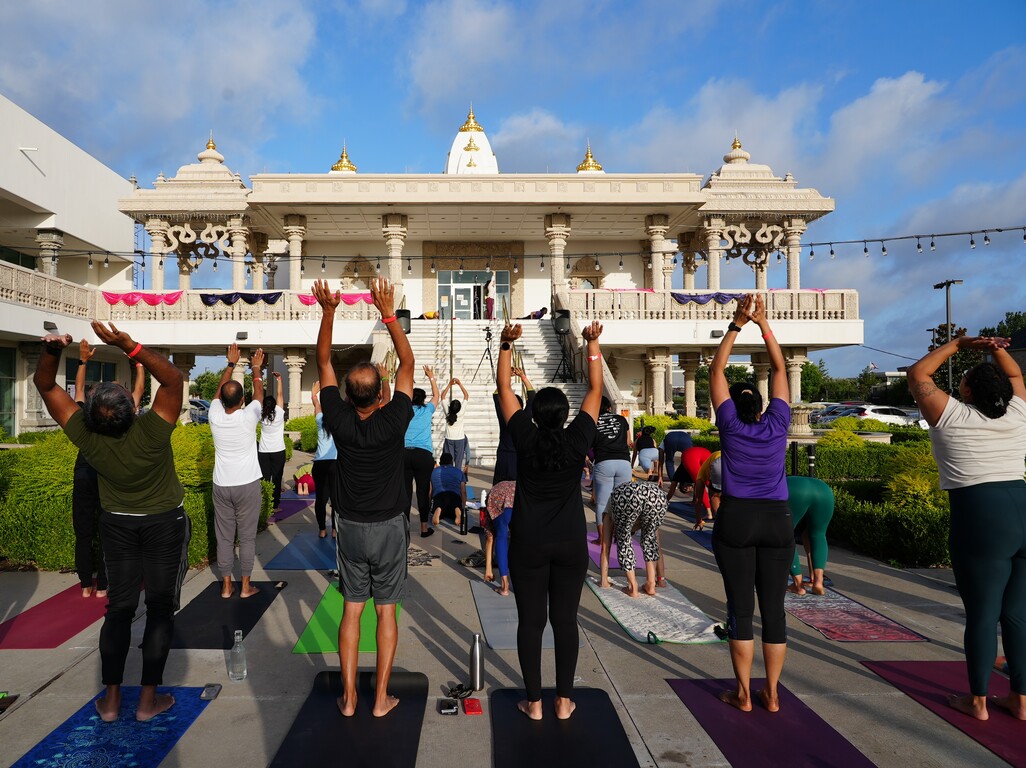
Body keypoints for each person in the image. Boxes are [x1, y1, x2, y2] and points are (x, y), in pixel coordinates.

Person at [34, 322, 188, 723]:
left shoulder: (87, 437)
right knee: (159, 609)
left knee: (119, 610)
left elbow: (47, 386)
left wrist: (53, 351)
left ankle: (113, 701)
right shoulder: (153, 431)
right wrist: (129, 346)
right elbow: (172, 379)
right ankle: (148, 701)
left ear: (91, 415)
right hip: (164, 525)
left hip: (117, 527)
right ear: (132, 408)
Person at [908, 334, 1026, 721]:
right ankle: (1020, 701)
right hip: (1021, 507)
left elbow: (918, 372)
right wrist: (995, 349)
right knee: (1017, 614)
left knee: (981, 612)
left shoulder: (951, 414)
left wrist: (959, 344)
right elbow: (1016, 376)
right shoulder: (1018, 412)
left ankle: (977, 701)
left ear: (969, 390)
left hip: (981, 513)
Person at [312, 276, 414, 719]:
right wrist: (388, 314)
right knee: (386, 614)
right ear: (381, 395)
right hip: (389, 526)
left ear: (348, 397)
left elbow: (323, 364)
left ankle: (350, 698)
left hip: (350, 526)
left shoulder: (337, 416)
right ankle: (379, 699)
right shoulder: (394, 419)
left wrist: (329, 312)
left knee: (352, 611)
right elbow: (407, 364)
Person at [497, 318, 603, 721]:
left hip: (528, 541)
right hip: (570, 542)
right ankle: (563, 701)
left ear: (536, 414)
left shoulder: (524, 433)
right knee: (564, 621)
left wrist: (507, 345)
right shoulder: (578, 439)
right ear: (564, 415)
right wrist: (591, 344)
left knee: (531, 622)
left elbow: (505, 389)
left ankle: (535, 704)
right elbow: (595, 389)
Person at [710, 294, 792, 714]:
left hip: (737, 519)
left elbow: (716, 370)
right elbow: (778, 368)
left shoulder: (728, 425)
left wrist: (737, 324)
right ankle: (773, 693)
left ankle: (743, 693)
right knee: (773, 611)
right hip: (777, 520)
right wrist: (764, 325)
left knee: (741, 609)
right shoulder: (778, 423)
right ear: (761, 406)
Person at [209, 344, 265, 599]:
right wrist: (255, 368)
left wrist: (230, 365)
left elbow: (220, 392)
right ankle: (245, 587)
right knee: (247, 538)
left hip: (222, 485)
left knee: (224, 538)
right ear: (243, 400)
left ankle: (226, 586)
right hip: (248, 484)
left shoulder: (214, 415)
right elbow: (260, 393)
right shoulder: (249, 415)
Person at [72, 339, 107, 598]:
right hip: (105, 476)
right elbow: (137, 397)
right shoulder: (111, 418)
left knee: (83, 533)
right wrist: (139, 366)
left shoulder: (84, 416)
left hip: (84, 474)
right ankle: (103, 586)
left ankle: (86, 585)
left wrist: (83, 361)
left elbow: (79, 390)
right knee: (106, 531)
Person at [599, 481, 667, 597]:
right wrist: (660, 579)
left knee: (624, 540)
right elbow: (657, 546)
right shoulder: (639, 518)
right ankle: (651, 584)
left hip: (627, 496)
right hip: (657, 495)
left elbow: (606, 547)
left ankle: (633, 587)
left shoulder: (608, 512)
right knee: (650, 541)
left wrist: (604, 581)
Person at [590, 396, 634, 545]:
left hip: (603, 462)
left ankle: (602, 538)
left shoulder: (593, 421)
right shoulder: (621, 420)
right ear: (609, 408)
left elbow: (588, 444)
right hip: (623, 462)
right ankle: (621, 536)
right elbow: (628, 442)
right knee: (623, 500)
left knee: (602, 502)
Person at [785, 476, 834, 596]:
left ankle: (798, 585)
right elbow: (809, 536)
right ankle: (818, 581)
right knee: (819, 535)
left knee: (786, 536)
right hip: (824, 490)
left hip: (795, 490)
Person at [405, 366, 439, 537]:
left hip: (403, 454)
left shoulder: (404, 411)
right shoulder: (426, 410)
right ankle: (424, 528)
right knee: (422, 492)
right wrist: (431, 377)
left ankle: (404, 528)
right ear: (423, 399)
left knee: (404, 492)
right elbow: (437, 396)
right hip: (423, 455)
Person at [492, 366, 535, 484]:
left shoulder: (503, 416)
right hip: (519, 457)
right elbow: (532, 398)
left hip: (503, 455)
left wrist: (506, 379)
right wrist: (523, 377)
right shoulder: (525, 417)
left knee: (499, 487)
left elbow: (497, 395)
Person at [311, 381, 338, 538]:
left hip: (320, 464)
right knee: (336, 499)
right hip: (335, 463)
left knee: (321, 498)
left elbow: (317, 405)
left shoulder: (320, 420)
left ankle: (322, 530)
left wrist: (315, 394)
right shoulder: (340, 423)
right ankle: (335, 530)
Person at [258, 372, 286, 510]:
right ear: (275, 405)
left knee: (264, 478)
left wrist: (258, 380)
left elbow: (258, 398)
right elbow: (280, 395)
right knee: (276, 478)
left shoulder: (261, 416)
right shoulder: (279, 414)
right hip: (278, 451)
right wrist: (279, 380)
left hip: (263, 452)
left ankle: (264, 504)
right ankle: (274, 505)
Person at [484, 480, 516, 596]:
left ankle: (505, 586)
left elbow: (490, 538)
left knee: (501, 536)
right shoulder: (509, 485)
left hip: (501, 501)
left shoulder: (490, 506)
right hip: (523, 498)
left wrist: (488, 569)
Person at [440, 376, 471, 472]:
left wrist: (449, 384)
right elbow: (466, 395)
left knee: (449, 462)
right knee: (458, 462)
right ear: (459, 408)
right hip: (459, 439)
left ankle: (448, 479)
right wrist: (459, 384)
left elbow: (442, 396)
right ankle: (457, 481)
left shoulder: (447, 411)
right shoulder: (461, 412)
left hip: (449, 438)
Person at [430, 452, 467, 528]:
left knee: (440, 506)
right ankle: (457, 510)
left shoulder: (434, 472)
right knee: (454, 507)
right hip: (454, 496)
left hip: (439, 495)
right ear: (451, 462)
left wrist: (429, 504)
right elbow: (463, 491)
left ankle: (438, 509)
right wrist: (463, 506)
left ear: (440, 462)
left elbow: (430, 490)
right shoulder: (459, 472)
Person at [692, 450, 723, 529]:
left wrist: (699, 521)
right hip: (737, 459)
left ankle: (722, 525)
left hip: (719, 463)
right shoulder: (713, 455)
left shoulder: (701, 474)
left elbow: (698, 500)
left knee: (714, 496)